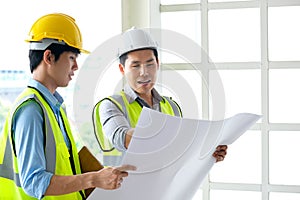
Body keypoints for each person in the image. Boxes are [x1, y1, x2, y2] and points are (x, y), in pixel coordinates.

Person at [0, 13, 135, 200]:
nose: (76, 66)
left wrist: (101, 176)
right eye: (72, 57)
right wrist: (93, 179)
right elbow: (34, 182)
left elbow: (63, 167)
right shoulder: (31, 110)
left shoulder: (54, 107)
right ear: (48, 56)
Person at [93, 27, 227, 167]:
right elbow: (125, 139)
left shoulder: (171, 106)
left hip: (167, 187)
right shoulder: (111, 105)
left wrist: (207, 152)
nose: (144, 73)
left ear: (157, 64)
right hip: (127, 187)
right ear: (122, 69)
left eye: (150, 64)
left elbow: (180, 153)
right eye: (135, 66)